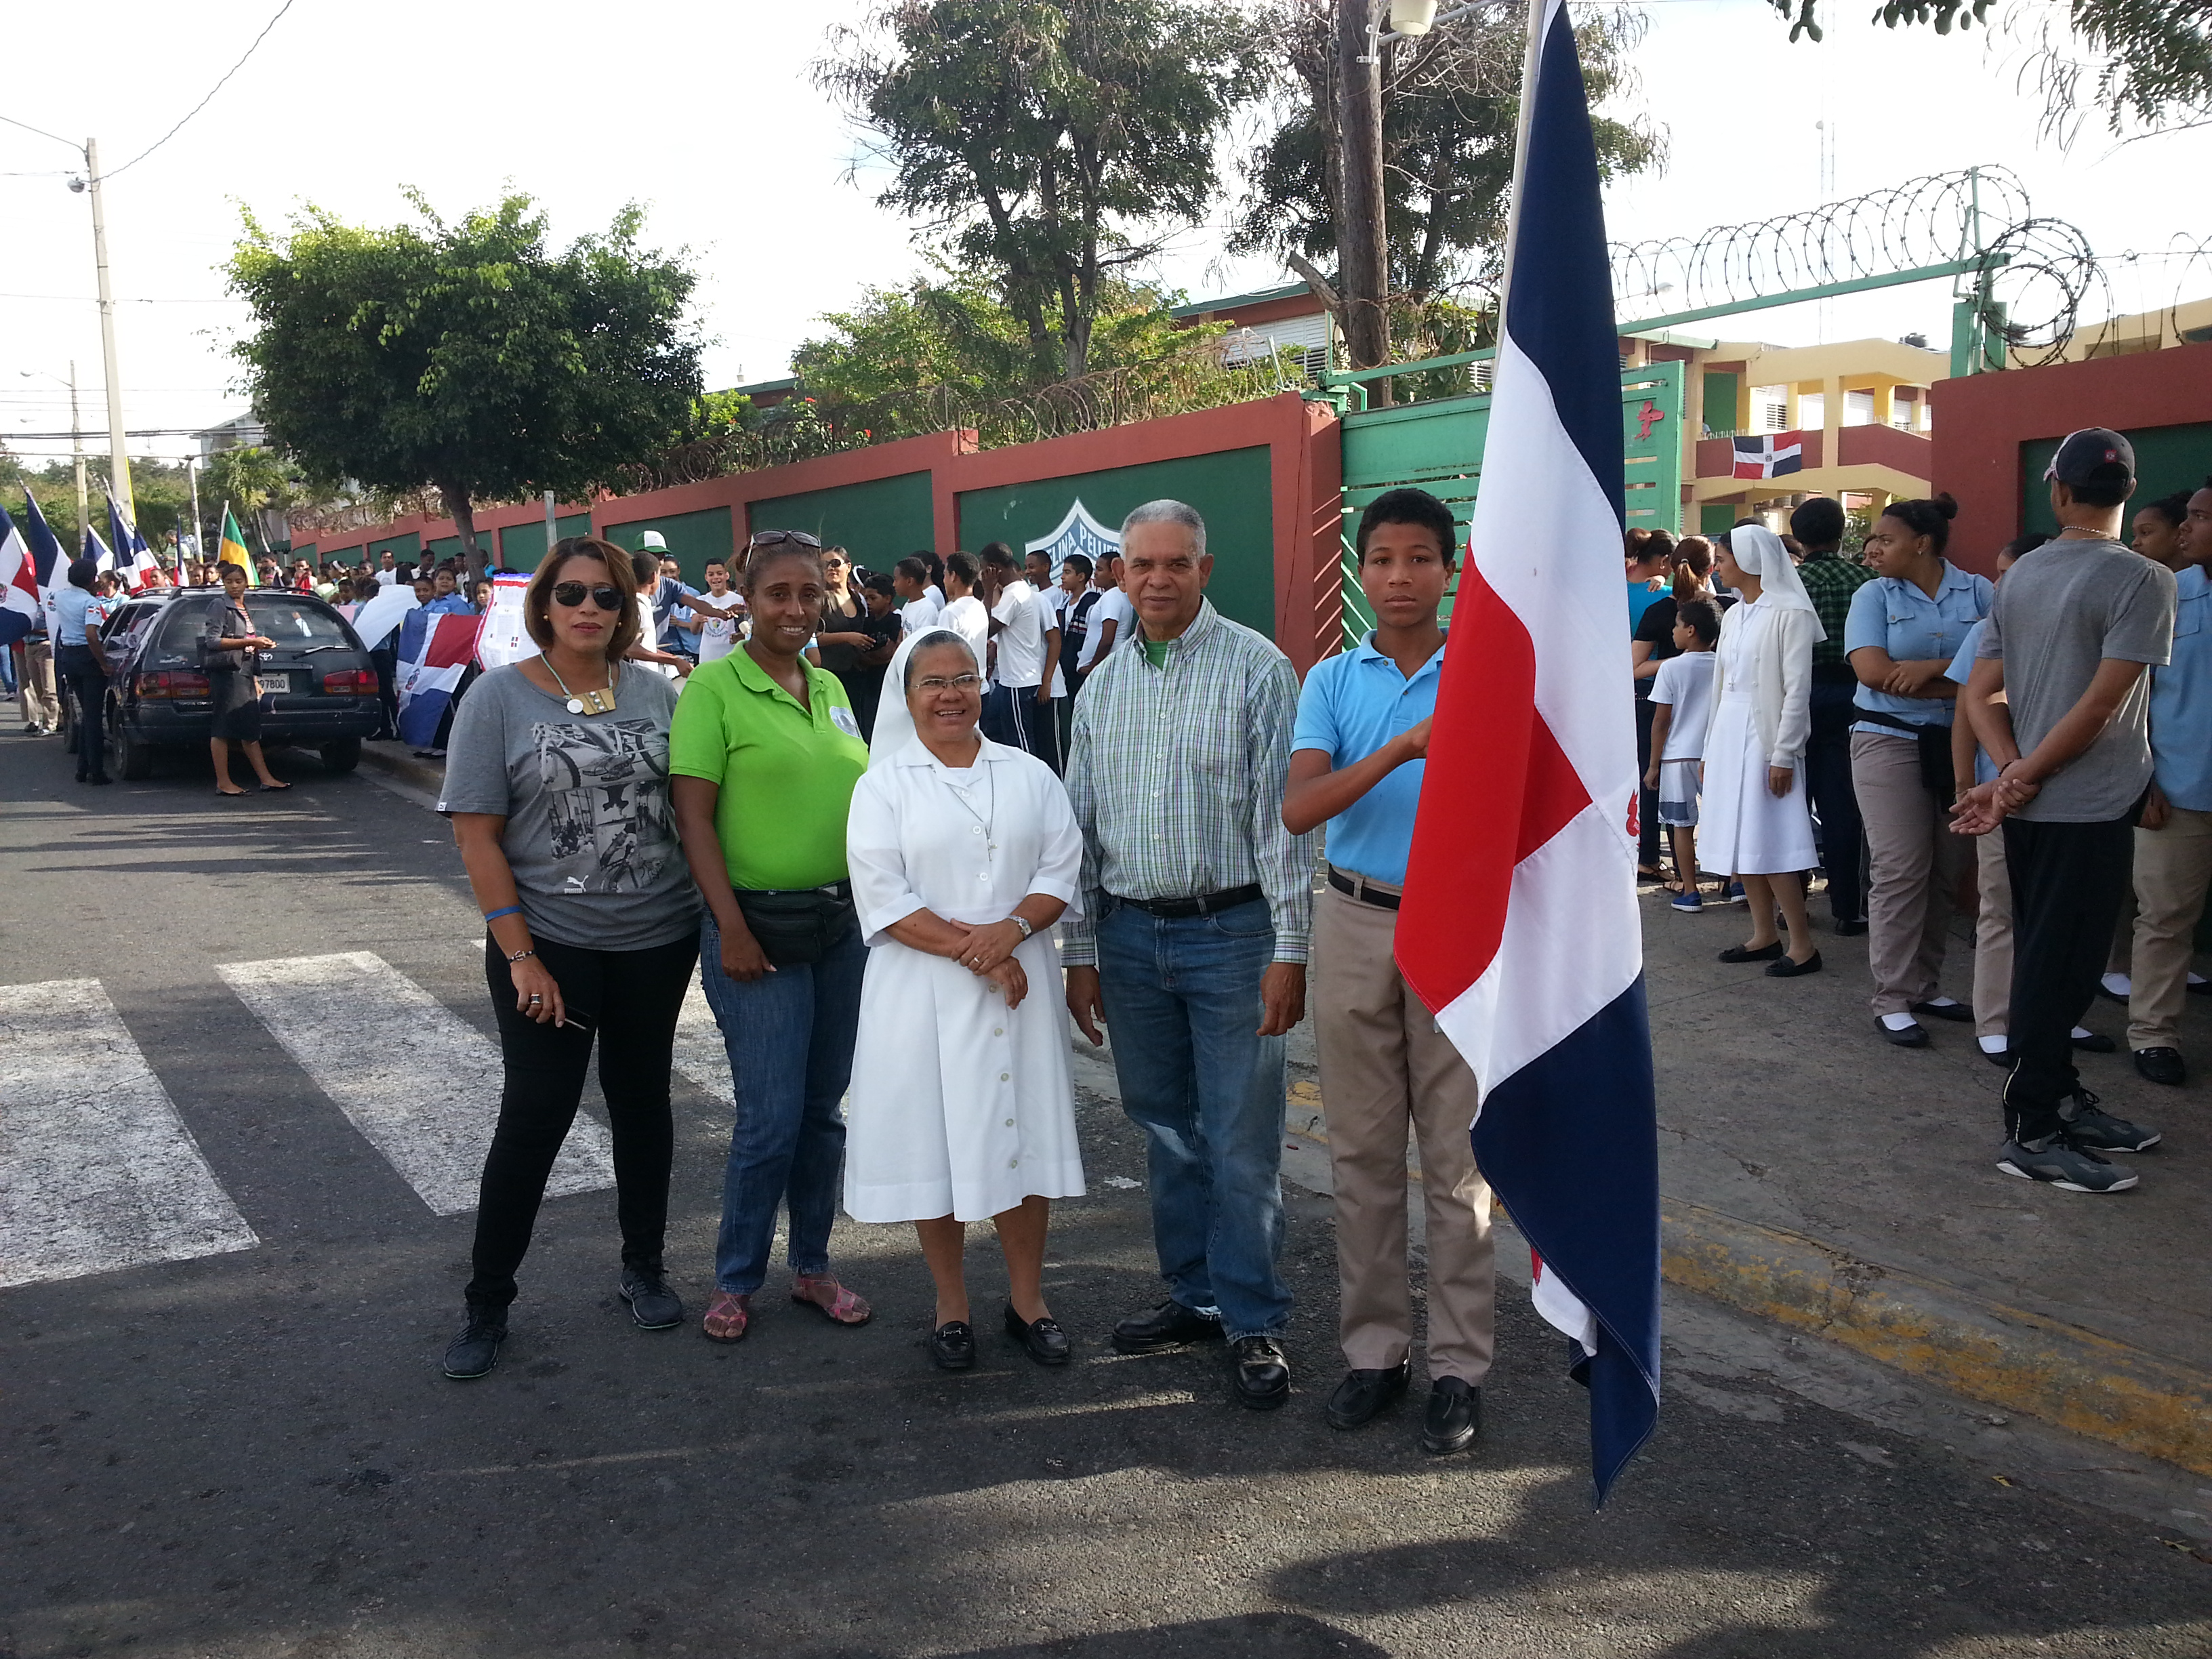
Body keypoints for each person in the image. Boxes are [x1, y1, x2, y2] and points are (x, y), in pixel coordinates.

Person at [1063, 499, 1313, 1410]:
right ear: (1119, 574)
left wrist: (1290, 949)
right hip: (1130, 940)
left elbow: (1281, 828)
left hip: (1233, 935)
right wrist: (1080, 953)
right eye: (1141, 565)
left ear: (1205, 570)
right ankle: (1194, 1295)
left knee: (1241, 1140)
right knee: (1167, 1131)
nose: (1158, 580)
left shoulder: (1258, 668)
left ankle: (1252, 1317)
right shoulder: (1102, 686)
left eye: (1176, 564)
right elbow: (1080, 832)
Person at [434, 537, 701, 1380]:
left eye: (610, 597)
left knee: (643, 1106)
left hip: (657, 940)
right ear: (544, 603)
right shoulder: (499, 700)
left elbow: (692, 815)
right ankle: (487, 1303)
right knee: (536, 1118)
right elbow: (477, 837)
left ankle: (643, 1267)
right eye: (574, 593)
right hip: (549, 945)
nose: (591, 608)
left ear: (628, 611)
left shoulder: (658, 694)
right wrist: (521, 955)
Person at [1282, 487, 1491, 1456]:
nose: (1399, 578)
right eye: (1381, 561)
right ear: (1359, 575)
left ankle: (1459, 1370)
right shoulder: (1332, 680)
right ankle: (1375, 1353)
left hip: (1462, 935)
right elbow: (1301, 807)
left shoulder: (1488, 673)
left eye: (1418, 559)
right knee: (1362, 1158)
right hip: (1355, 920)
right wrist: (1404, 747)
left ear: (1449, 570)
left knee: (1457, 1170)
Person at [843, 630, 1087, 1370]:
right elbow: (883, 895)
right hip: (921, 992)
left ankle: (1027, 1301)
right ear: (907, 695)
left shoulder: (1029, 773)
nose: (950, 694)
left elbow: (1060, 868)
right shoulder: (883, 784)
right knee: (935, 1140)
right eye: (932, 683)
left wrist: (1008, 935)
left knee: (1026, 1137)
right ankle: (951, 1305)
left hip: (1018, 982)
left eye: (964, 679)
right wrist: (978, 953)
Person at [1952, 428, 2173, 1193]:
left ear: (2059, 490)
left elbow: (1979, 695)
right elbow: (2104, 706)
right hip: (2084, 803)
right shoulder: (2145, 579)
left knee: (2053, 960)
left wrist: (2011, 774)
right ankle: (2033, 1126)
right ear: (2128, 494)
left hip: (2040, 800)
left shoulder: (2022, 575)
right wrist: (2024, 780)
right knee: (2061, 967)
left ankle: (2060, 1097)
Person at [670, 533, 875, 1344]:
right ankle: (737, 1277)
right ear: (746, 601)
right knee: (769, 1116)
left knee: (823, 1113)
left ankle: (814, 1267)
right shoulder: (714, 689)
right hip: (756, 927)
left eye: (809, 594)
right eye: (778, 594)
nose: (795, 608)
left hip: (840, 926)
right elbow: (693, 817)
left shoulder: (828, 686)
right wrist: (729, 926)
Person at [1946, 535, 2112, 1067]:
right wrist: (1988, 778)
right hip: (2005, 790)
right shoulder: (1989, 630)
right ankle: (1995, 1018)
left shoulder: (2090, 628)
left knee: (2062, 917)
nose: (2001, 586)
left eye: (2010, 574)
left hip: (2074, 794)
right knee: (2000, 903)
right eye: (1999, 575)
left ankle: (2053, 1018)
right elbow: (1970, 709)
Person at [1844, 496, 1993, 1046]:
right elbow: (1876, 673)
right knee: (1901, 865)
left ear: (1922, 544)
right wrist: (1964, 680)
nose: (1873, 549)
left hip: (1960, 742)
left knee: (1946, 867)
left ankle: (1926, 985)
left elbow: (2004, 667)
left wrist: (1933, 668)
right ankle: (1892, 996)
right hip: (1888, 738)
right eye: (1871, 540)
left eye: (1884, 539)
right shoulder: (1873, 595)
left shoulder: (1980, 591)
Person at [1703, 524, 1824, 977]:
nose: (1719, 567)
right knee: (1743, 838)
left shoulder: (1789, 613)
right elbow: (1720, 686)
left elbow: (1797, 690)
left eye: (1725, 558)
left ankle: (1802, 944)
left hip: (1766, 734)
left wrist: (1783, 753)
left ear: (1751, 560)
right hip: (1731, 731)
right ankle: (1763, 934)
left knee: (1771, 840)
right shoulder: (1733, 614)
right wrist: (1709, 747)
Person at [2123, 478, 2212, 1085]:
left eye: (2201, 517)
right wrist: (2143, 781)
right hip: (2178, 791)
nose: (2187, 527)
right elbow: (2130, 698)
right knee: (2164, 918)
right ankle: (2154, 1034)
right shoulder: (2167, 596)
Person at [1791, 497, 1877, 936]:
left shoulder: (1787, 584)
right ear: (1842, 531)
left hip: (1797, 694)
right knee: (1843, 803)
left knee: (1791, 802)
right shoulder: (1869, 579)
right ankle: (1849, 907)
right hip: (1854, 690)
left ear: (1799, 537)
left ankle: (1793, 903)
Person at [1645, 598, 1722, 912]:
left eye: (1677, 625)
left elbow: (1661, 720)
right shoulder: (1722, 664)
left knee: (1681, 826)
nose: (1674, 631)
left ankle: (1690, 890)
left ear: (1690, 630)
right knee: (1724, 818)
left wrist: (1653, 765)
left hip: (1677, 757)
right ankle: (1737, 882)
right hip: (1716, 753)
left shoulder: (1671, 667)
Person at [201, 560, 289, 796]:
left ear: (246, 583)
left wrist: (259, 647)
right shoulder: (219, 605)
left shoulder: (242, 606)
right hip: (227, 673)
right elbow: (213, 641)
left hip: (245, 671)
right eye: (229, 582)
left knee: (249, 727)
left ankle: (266, 778)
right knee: (223, 727)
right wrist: (251, 641)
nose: (234, 586)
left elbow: (247, 640)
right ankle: (223, 782)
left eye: (239, 582)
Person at [977, 543, 1061, 769]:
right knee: (1005, 736)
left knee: (1023, 745)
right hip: (1016, 681)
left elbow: (984, 629)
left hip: (1019, 682)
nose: (982, 574)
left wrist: (987, 591)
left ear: (994, 569)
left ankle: (1034, 791)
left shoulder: (1014, 594)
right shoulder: (1023, 593)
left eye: (984, 568)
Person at [812, 544, 899, 735]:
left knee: (861, 727)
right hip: (830, 675)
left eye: (835, 563)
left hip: (859, 674)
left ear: (848, 567)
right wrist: (847, 638)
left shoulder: (858, 599)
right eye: (825, 564)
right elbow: (811, 637)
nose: (830, 568)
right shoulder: (819, 599)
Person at [49, 558, 112, 786]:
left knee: (86, 713)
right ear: (91, 579)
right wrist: (103, 663)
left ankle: (83, 767)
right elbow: (91, 635)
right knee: (94, 716)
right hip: (88, 657)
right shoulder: (90, 603)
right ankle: (96, 771)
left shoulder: (59, 596)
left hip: (68, 656)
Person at [1076, 554, 1133, 683]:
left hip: (1106, 671)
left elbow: (1108, 638)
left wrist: (1093, 667)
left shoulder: (1112, 596)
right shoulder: (1114, 595)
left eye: (1100, 569)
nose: (1095, 573)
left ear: (1114, 574)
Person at [937, 552, 991, 665]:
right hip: (980, 679)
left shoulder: (949, 612)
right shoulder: (980, 606)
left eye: (945, 575)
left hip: (961, 680)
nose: (944, 580)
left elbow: (943, 654)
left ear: (953, 576)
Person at [894, 556, 942, 637]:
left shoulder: (926, 609)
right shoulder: (907, 606)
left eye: (896, 580)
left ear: (909, 581)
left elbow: (923, 642)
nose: (894, 584)